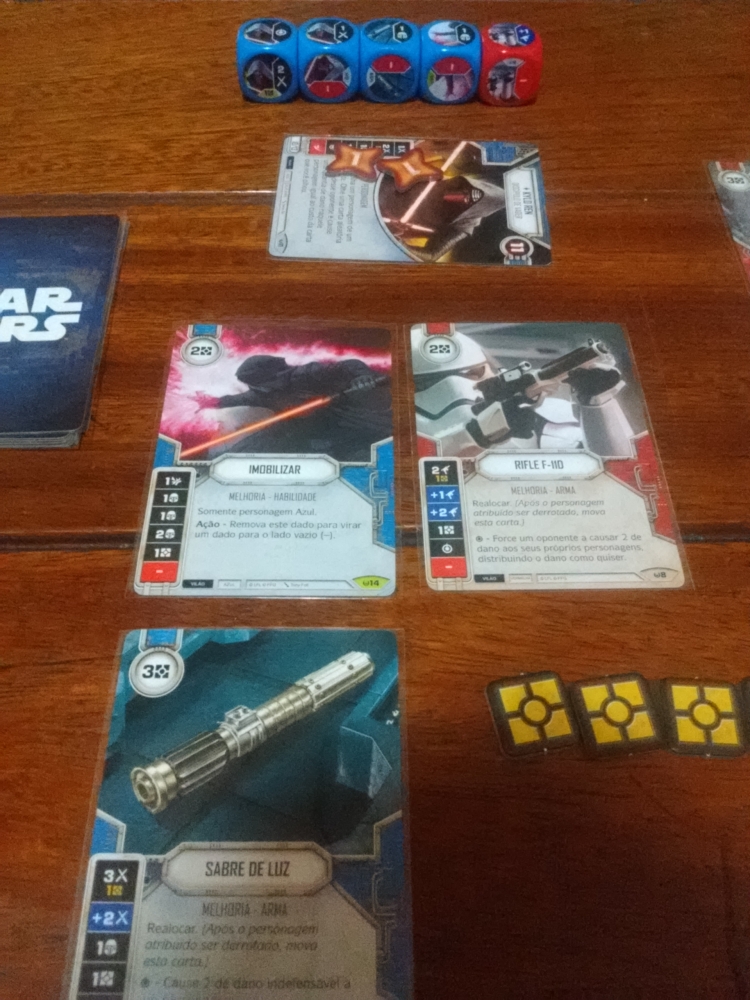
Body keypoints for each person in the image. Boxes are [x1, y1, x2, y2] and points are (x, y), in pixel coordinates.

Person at [412, 328, 635, 459]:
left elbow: (618, 466)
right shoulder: (401, 431)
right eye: (427, 382)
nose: (457, 389)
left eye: (473, 373)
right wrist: (474, 436)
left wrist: (597, 404)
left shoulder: (543, 415)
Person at [193, 354, 391, 462]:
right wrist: (208, 401)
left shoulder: (307, 374)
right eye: (255, 386)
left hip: (339, 421)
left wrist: (362, 376)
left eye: (260, 385)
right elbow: (231, 400)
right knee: (251, 450)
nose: (258, 389)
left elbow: (349, 364)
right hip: (296, 429)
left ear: (276, 376)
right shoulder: (261, 393)